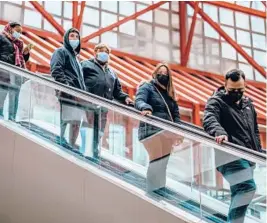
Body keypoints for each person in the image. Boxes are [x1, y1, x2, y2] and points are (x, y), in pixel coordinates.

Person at [203, 69, 262, 223]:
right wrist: (219, 132)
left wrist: (258, 153)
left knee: (239, 193)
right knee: (247, 188)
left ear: (245, 86)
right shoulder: (217, 101)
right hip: (229, 156)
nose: (237, 93)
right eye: (233, 90)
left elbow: (254, 130)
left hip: (248, 157)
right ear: (225, 85)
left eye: (240, 90)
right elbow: (209, 117)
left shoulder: (248, 104)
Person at [135, 63, 183, 192]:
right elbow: (139, 100)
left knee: (163, 163)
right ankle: (152, 190)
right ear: (155, 73)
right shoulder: (147, 86)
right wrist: (146, 108)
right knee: (156, 159)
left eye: (166, 74)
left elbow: (176, 115)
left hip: (166, 132)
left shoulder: (170, 94)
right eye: (160, 73)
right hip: (151, 129)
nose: (163, 75)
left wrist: (178, 130)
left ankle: (160, 189)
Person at [81, 43, 133, 157]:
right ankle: (84, 151)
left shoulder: (112, 73)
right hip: (88, 105)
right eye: (101, 51)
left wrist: (125, 97)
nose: (103, 53)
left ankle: (94, 152)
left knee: (99, 131)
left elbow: (117, 91)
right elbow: (78, 81)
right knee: (87, 129)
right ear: (95, 53)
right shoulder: (85, 65)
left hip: (103, 109)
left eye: (106, 52)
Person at [50, 27, 86, 149]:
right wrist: (67, 87)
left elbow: (80, 79)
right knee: (67, 118)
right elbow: (56, 70)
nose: (75, 39)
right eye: (72, 36)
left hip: (78, 95)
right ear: (66, 38)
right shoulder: (61, 51)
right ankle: (61, 140)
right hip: (68, 92)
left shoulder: (76, 58)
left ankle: (71, 144)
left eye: (77, 37)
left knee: (76, 122)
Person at [0, 22, 32, 120]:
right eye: (17, 31)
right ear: (10, 28)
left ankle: (12, 118)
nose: (19, 34)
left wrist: (25, 54)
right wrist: (10, 57)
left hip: (15, 76)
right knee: (1, 97)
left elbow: (21, 61)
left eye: (20, 32)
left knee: (14, 99)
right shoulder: (1, 38)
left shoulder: (19, 44)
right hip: (3, 74)